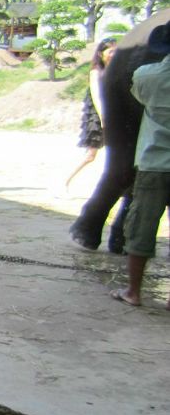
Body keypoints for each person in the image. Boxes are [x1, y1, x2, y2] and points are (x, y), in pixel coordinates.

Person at [110, 22, 170, 309]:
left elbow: (137, 94)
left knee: (142, 227)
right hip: (155, 161)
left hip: (155, 162)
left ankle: (134, 291)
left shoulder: (148, 76)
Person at [66, 38, 116, 191]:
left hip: (110, 115)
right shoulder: (96, 72)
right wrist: (103, 117)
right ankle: (65, 181)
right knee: (90, 155)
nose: (114, 54)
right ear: (101, 54)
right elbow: (96, 96)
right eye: (111, 51)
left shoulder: (114, 71)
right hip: (96, 116)